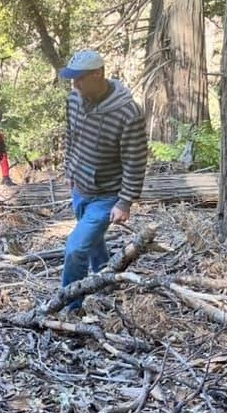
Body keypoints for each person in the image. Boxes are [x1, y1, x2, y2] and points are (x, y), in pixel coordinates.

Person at [59, 49, 147, 311]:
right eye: (73, 79)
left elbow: (135, 160)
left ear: (98, 74)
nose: (75, 85)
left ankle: (69, 306)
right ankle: (106, 278)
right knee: (93, 240)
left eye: (80, 79)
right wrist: (70, 169)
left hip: (107, 194)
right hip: (80, 187)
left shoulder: (128, 112)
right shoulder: (74, 100)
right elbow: (70, 136)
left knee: (76, 249)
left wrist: (125, 201)